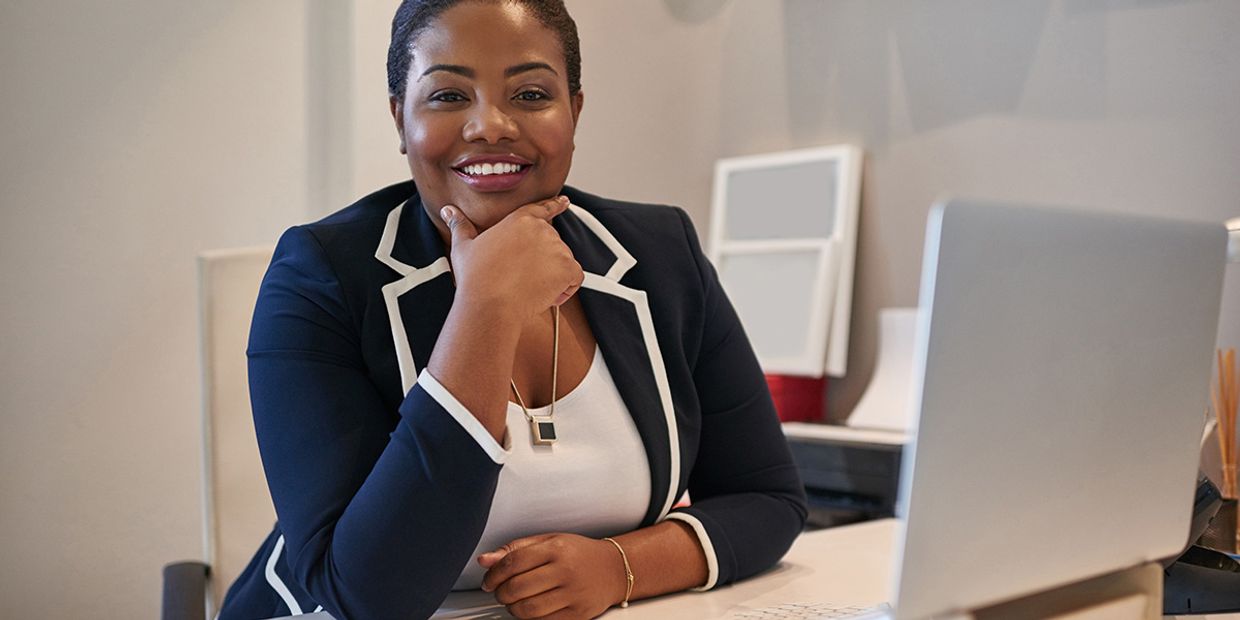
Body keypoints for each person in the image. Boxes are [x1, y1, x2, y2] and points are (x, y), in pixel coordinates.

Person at [219, 1, 806, 618]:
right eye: (448, 96)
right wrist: (485, 309)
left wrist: (619, 567)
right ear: (400, 119)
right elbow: (368, 598)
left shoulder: (661, 254)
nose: (490, 126)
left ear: (574, 112)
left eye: (530, 93)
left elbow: (767, 497)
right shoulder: (318, 276)